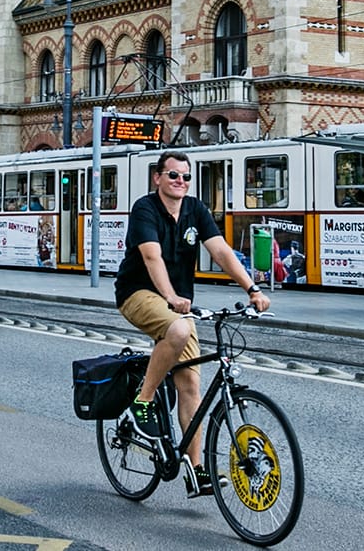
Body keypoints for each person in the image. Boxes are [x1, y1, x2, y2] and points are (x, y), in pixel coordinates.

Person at [114, 150, 270, 498]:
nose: (180, 182)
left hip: (176, 302)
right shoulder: (145, 208)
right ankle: (144, 400)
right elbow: (151, 257)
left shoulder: (196, 209)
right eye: (173, 175)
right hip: (138, 293)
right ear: (158, 178)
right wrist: (170, 297)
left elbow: (221, 252)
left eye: (186, 176)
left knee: (190, 387)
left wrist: (252, 289)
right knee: (179, 328)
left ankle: (196, 472)